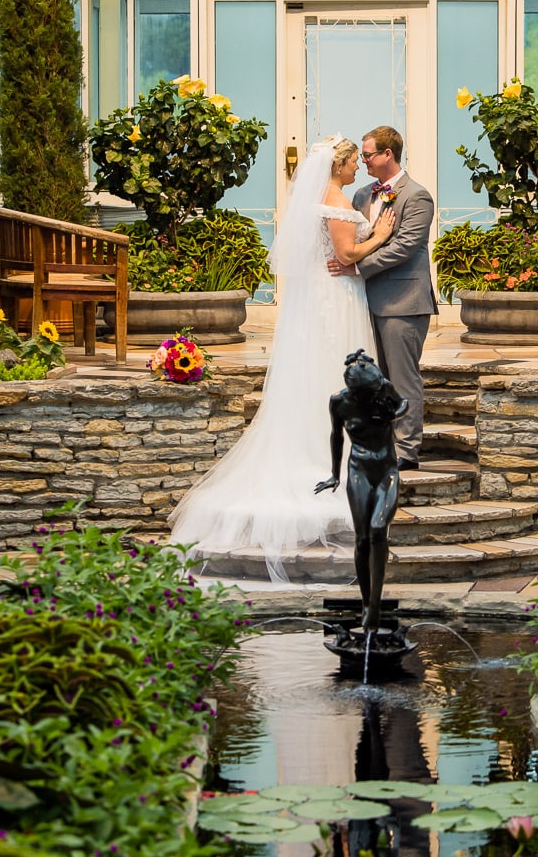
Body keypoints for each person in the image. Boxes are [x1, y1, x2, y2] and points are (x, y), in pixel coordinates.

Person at [166, 137, 396, 581]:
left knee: (322, 370)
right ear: (340, 165)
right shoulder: (333, 200)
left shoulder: (327, 197)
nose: (356, 168)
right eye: (353, 162)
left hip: (331, 296)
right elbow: (346, 254)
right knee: (334, 366)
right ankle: (336, 456)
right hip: (337, 297)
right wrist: (380, 236)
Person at [329, 126, 437, 470]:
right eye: (361, 156)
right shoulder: (361, 195)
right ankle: (383, 443)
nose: (364, 162)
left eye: (368, 155)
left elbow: (405, 247)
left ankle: (407, 450)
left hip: (403, 301)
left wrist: (358, 269)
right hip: (365, 302)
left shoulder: (417, 196)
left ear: (388, 154)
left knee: (402, 378)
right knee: (376, 381)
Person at [315, 349, 407, 632]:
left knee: (379, 528)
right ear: (355, 393)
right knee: (363, 538)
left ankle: (376, 605)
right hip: (359, 469)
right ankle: (367, 603)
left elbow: (403, 404)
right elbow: (336, 437)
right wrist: (334, 474)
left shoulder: (383, 387)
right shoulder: (339, 402)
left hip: (387, 470)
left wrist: (392, 417)